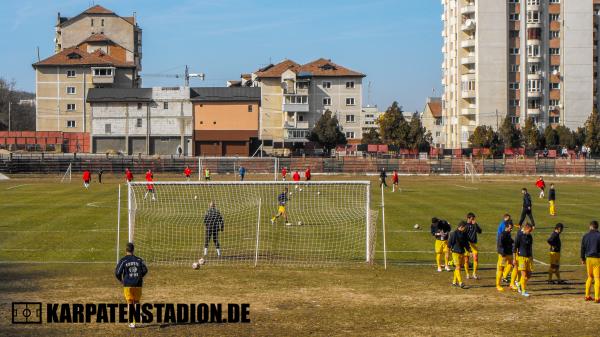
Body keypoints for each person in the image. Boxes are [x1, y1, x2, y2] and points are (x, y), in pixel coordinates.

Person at [115, 242, 148, 328]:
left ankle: (132, 322)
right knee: (136, 301)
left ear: (126, 250)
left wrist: (121, 280)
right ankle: (140, 312)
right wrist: (139, 277)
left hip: (128, 285)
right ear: (133, 250)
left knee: (130, 303)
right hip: (138, 284)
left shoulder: (124, 260)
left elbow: (117, 272)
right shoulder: (139, 260)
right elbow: (145, 270)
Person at [581, 220, 600, 303]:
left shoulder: (585, 236)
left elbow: (582, 248)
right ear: (597, 227)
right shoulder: (599, 235)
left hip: (588, 259)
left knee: (589, 277)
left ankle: (587, 295)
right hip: (597, 259)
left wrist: (582, 258)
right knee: (597, 278)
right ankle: (597, 297)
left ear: (590, 226)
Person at [448, 221, 471, 289]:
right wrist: (448, 252)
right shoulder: (454, 234)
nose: (466, 229)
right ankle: (460, 282)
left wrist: (470, 251)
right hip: (455, 253)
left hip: (462, 252)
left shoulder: (464, 234)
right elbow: (449, 244)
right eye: (465, 227)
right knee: (458, 267)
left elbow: (466, 244)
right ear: (461, 227)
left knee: (458, 268)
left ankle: (454, 282)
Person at [514, 222, 534, 297]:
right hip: (521, 257)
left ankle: (519, 284)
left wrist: (531, 256)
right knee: (524, 275)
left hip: (529, 257)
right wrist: (514, 258)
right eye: (530, 230)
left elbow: (530, 247)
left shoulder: (530, 237)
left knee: (529, 276)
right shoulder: (519, 236)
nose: (531, 232)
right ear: (526, 229)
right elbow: (515, 247)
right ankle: (523, 291)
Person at [496, 221, 514, 291]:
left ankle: (505, 277)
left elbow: (510, 241)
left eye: (512, 228)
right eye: (510, 228)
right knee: (501, 269)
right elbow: (499, 245)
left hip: (509, 253)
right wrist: (503, 253)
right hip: (503, 254)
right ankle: (498, 285)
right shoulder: (502, 234)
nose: (511, 229)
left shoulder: (508, 234)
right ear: (506, 227)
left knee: (511, 265)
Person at [464, 212, 482, 279]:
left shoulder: (474, 225)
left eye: (474, 218)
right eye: (472, 219)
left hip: (473, 244)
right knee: (466, 260)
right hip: (466, 244)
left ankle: (474, 273)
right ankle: (467, 274)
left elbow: (480, 231)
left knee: (476, 258)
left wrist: (476, 225)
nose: (473, 220)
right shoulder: (465, 225)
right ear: (468, 218)